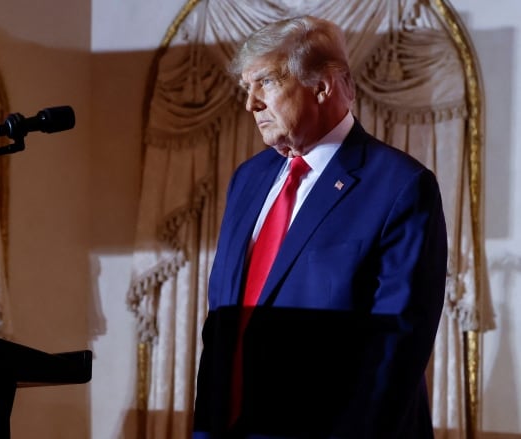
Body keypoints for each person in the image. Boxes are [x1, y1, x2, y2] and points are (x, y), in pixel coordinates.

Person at [192, 15, 447, 439]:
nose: (251, 103)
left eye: (266, 83)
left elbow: (395, 349)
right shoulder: (248, 178)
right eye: (247, 88)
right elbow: (221, 326)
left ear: (323, 86)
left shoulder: (402, 186)